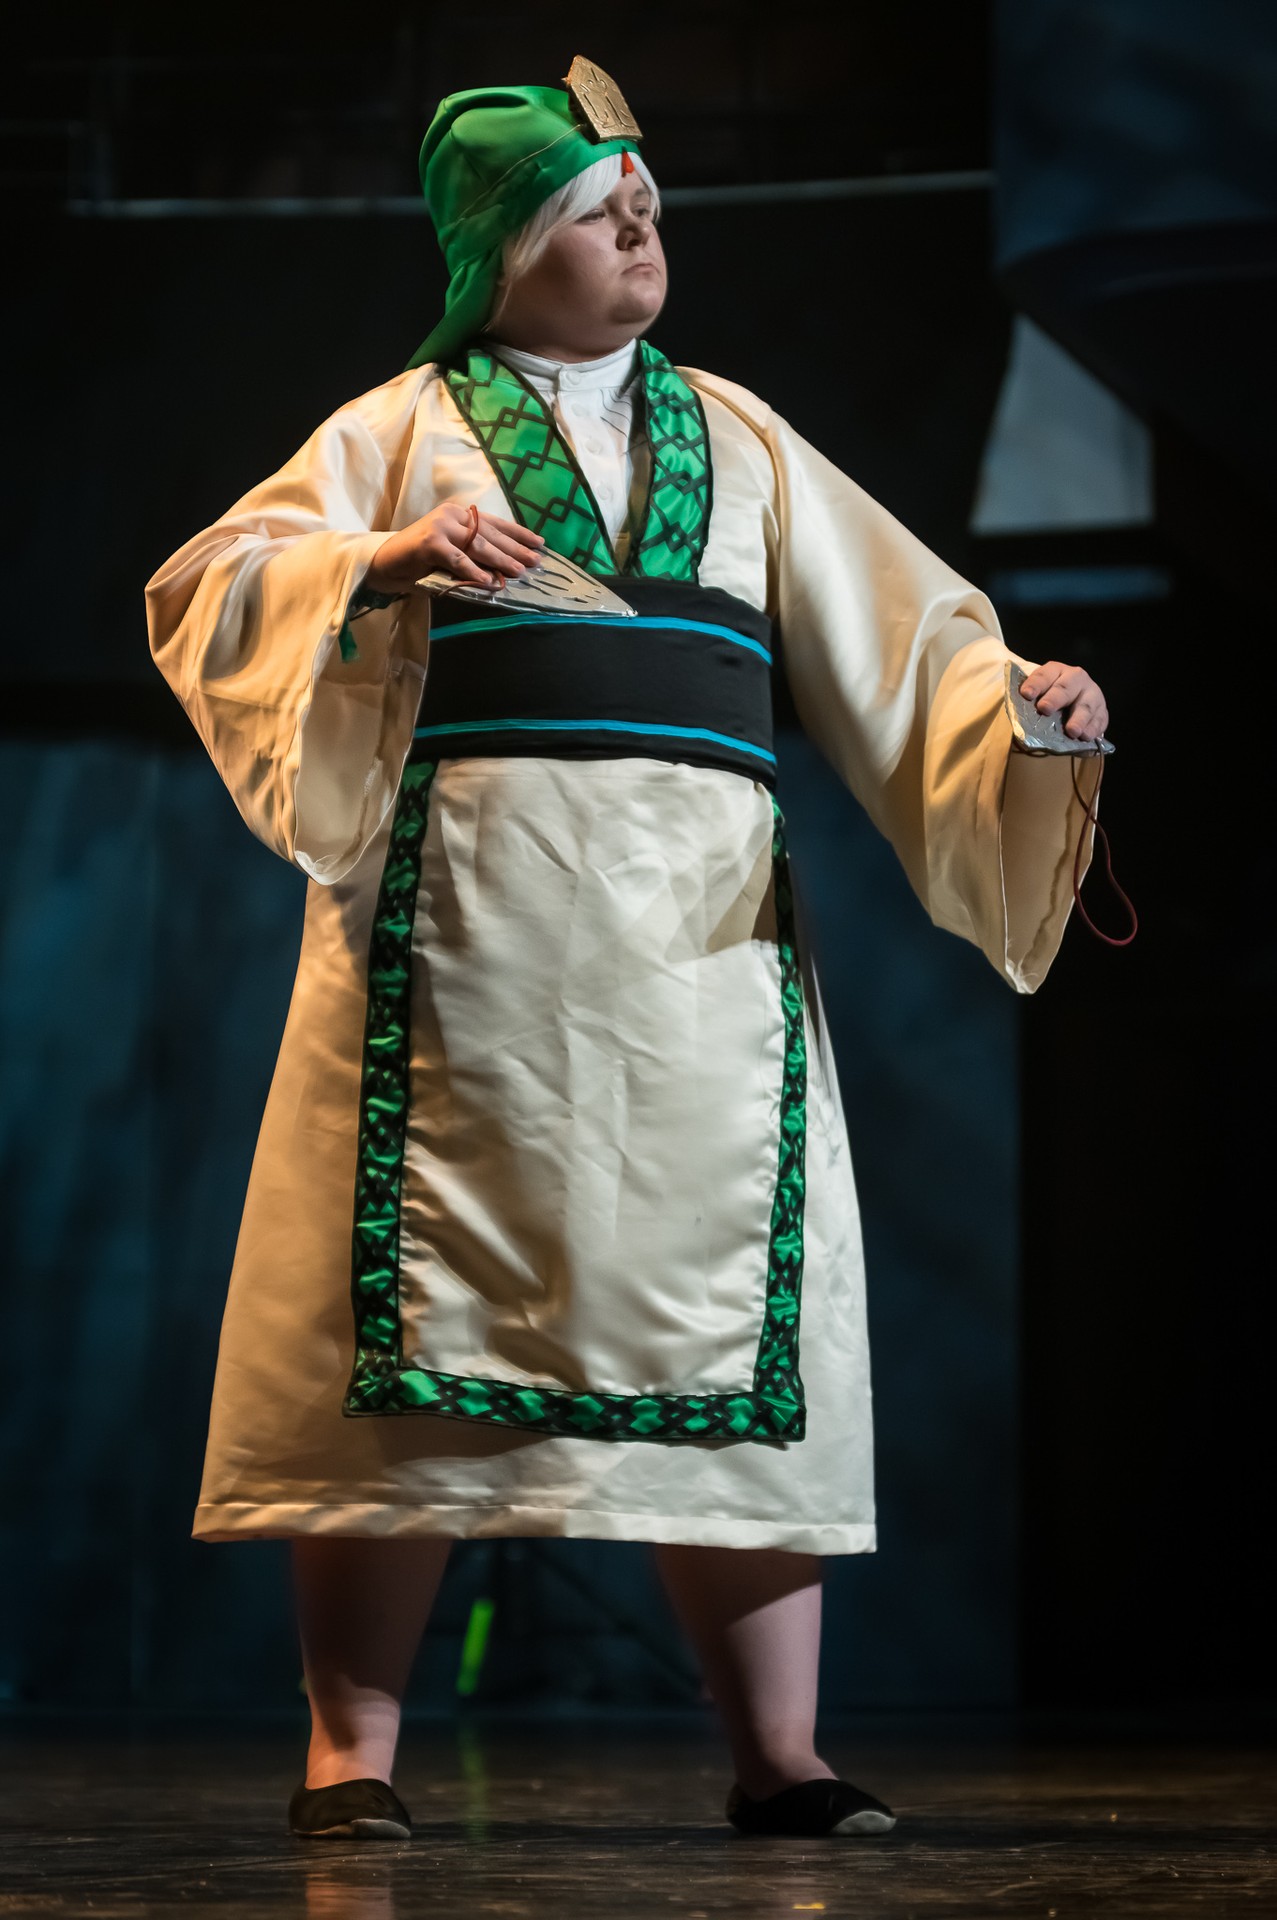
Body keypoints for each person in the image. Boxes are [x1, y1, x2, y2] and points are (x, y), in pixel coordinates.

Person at [146, 59, 1110, 1843]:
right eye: (600, 212)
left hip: (698, 970)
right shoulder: (397, 427)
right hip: (455, 963)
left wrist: (1021, 714)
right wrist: (378, 561)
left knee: (731, 1340)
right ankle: (350, 1756)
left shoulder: (740, 438)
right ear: (507, 250)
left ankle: (779, 1756)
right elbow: (214, 585)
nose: (642, 231)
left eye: (647, 203)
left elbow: (909, 646)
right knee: (395, 1376)